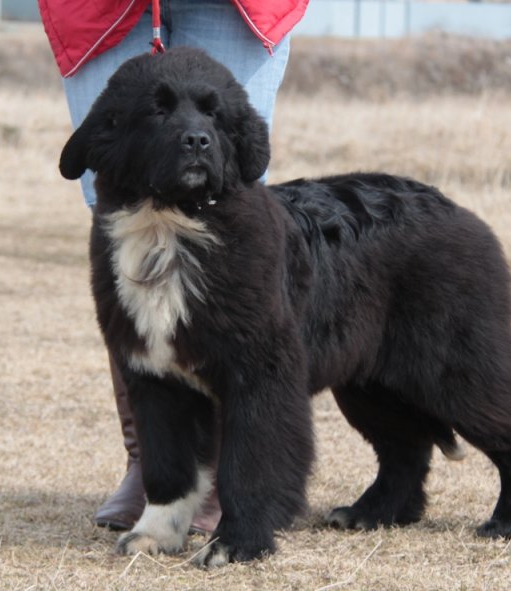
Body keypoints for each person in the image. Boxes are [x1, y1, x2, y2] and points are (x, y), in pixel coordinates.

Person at [37, 0, 309, 534]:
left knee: (228, 193)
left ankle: (228, 471)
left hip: (240, 7)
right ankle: (156, 466)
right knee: (117, 201)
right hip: (98, 8)